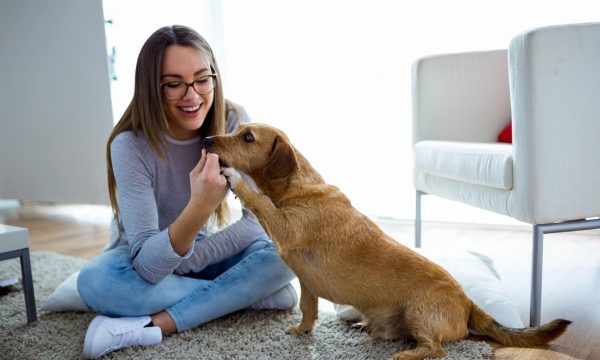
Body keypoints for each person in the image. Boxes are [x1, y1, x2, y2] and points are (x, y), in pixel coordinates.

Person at [77, 25, 297, 359]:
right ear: (151, 88)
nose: (192, 95)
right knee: (96, 282)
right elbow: (148, 266)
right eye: (173, 84)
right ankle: (247, 295)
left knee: (287, 251)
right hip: (140, 262)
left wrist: (183, 261)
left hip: (193, 254)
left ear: (214, 77)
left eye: (201, 79)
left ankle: (157, 325)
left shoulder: (234, 122)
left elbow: (260, 221)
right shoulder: (129, 145)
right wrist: (199, 207)